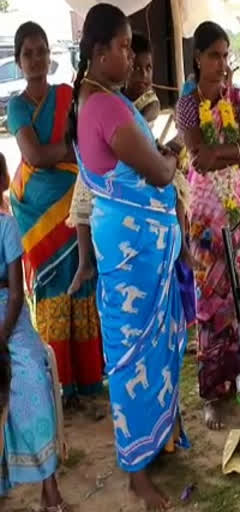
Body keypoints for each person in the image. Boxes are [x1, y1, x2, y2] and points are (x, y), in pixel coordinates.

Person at [69, 4, 188, 509]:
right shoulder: (107, 108)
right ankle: (137, 472)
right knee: (131, 357)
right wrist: (176, 152)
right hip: (131, 256)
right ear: (99, 54)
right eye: (122, 47)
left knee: (145, 349)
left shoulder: (98, 98)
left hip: (136, 252)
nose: (129, 55)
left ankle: (157, 438)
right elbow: (159, 174)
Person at [6, 21, 103, 408]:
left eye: (42, 50)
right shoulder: (16, 106)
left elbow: (77, 146)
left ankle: (90, 382)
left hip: (76, 210)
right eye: (28, 53)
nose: (36, 59)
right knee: (52, 290)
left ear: (51, 54)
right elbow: (35, 156)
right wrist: (62, 150)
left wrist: (60, 151)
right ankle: (61, 385)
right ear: (17, 60)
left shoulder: (67, 94)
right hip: (38, 215)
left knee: (83, 287)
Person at [176, 21, 240, 431]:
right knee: (213, 303)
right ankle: (213, 392)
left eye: (226, 55)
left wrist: (226, 152)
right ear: (197, 57)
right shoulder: (188, 103)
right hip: (208, 215)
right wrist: (237, 152)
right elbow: (198, 157)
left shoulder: (237, 99)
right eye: (214, 55)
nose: (222, 63)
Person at [0, 153, 68, 511]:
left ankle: (49, 489)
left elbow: (15, 291)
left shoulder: (6, 225)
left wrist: (1, 338)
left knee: (33, 379)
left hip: (9, 317)